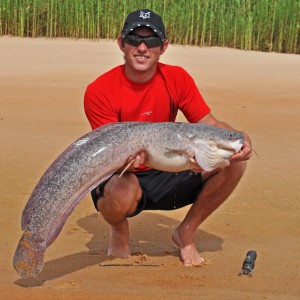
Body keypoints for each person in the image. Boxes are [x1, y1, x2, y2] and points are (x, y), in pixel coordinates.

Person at [84, 9, 252, 266]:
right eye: (134, 39)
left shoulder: (177, 78)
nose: (142, 47)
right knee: (117, 191)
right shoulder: (99, 91)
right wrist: (131, 156)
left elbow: (210, 123)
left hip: (169, 163)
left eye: (151, 41)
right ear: (121, 43)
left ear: (163, 47)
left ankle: (185, 234)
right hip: (125, 172)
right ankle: (118, 228)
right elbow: (110, 153)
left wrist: (240, 138)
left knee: (234, 160)